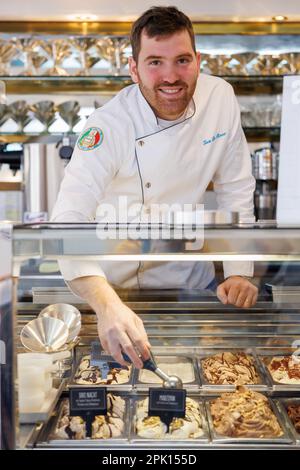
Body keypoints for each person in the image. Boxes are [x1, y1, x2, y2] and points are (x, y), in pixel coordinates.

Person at [51, 6, 258, 368]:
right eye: (155, 62)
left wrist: (240, 269)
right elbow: (68, 219)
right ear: (134, 69)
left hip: (187, 284)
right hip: (111, 288)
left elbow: (236, 188)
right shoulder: (109, 125)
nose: (171, 76)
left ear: (198, 61)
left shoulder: (220, 98)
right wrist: (107, 305)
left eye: (182, 60)